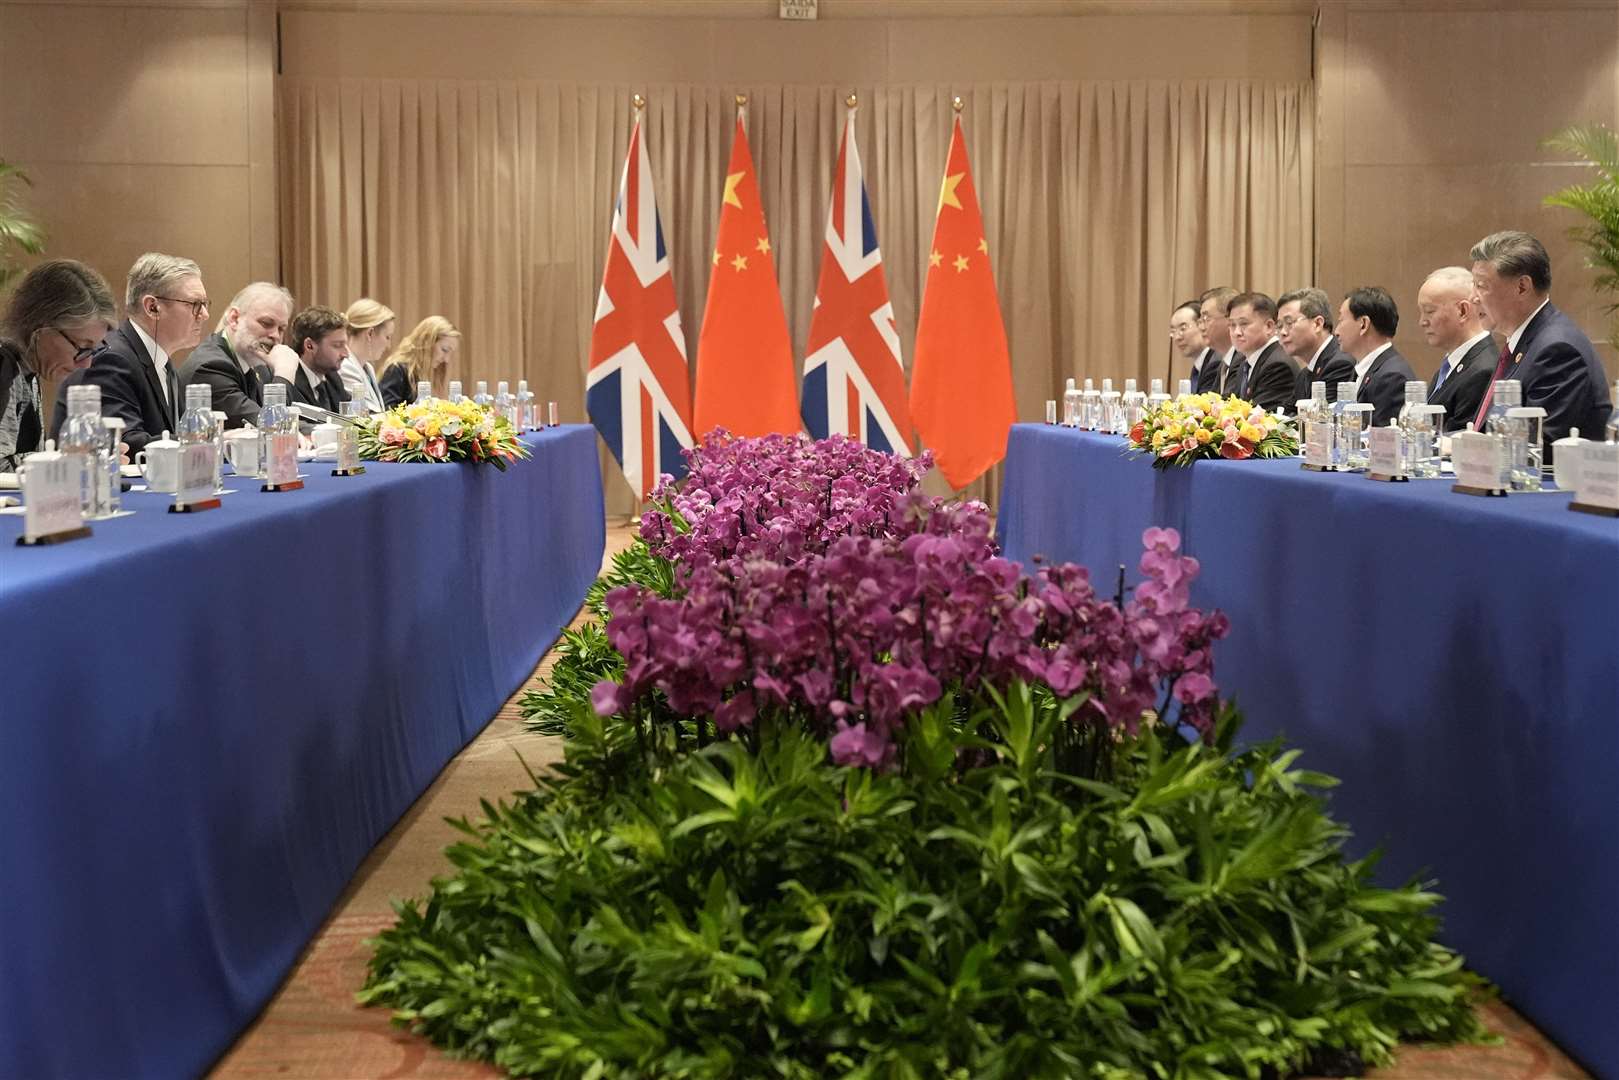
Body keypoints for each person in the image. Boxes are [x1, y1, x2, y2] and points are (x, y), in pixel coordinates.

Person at [53, 252, 210, 454]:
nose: (204, 315)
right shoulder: (112, 359)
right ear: (153, 307)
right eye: (195, 305)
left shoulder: (163, 362)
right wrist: (208, 439)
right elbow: (126, 443)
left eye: (205, 305)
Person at [1468, 230, 1612, 443]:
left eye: (1481, 286)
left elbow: (1539, 444)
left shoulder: (1557, 349)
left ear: (1522, 287)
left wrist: (1464, 446)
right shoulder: (1524, 342)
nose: (1473, 298)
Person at [0, 260, 118, 470]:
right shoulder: (3, 367)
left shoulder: (28, 369)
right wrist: (70, 461)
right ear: (41, 327)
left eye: (93, 350)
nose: (86, 363)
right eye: (82, 347)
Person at [177, 282, 292, 429]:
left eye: (281, 329)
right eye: (266, 323)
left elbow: (287, 420)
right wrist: (284, 374)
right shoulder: (210, 367)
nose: (275, 336)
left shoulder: (259, 366)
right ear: (235, 319)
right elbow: (273, 427)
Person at [1415, 267, 1495, 433]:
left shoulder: (1482, 370)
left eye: (1429, 311)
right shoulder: (1452, 365)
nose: (1422, 322)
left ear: (1462, 311)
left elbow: (1461, 443)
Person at [1333, 286, 1415, 427]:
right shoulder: (1362, 369)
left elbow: (1383, 442)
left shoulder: (1392, 377)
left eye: (1341, 321)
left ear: (1363, 324)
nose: (1336, 331)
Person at [1224, 291, 1299, 413]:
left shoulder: (1278, 365)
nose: (1236, 332)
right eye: (1232, 325)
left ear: (1269, 326)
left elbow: (1260, 419)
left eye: (1244, 324)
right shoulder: (1243, 362)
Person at [268, 306, 351, 413]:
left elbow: (351, 419)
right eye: (337, 345)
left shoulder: (333, 378)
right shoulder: (288, 380)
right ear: (309, 346)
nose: (346, 354)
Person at [1279, 287, 1354, 403]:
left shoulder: (1340, 364)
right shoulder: (1304, 374)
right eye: (1279, 326)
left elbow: (1323, 418)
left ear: (1317, 324)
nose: (1283, 332)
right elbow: (1287, 413)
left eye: (1289, 323)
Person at [377, 316, 460, 408]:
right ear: (426, 342)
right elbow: (386, 413)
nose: (446, 359)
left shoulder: (425, 372)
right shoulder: (397, 370)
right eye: (444, 350)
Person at [340, 298, 394, 413]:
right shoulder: (345, 366)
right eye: (387, 337)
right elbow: (369, 415)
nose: (389, 345)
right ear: (370, 333)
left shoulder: (367, 367)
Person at [1196, 287, 1238, 395]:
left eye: (1206, 319)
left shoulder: (1243, 361)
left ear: (1229, 319)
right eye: (1200, 320)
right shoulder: (1223, 363)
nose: (1201, 327)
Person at [1169, 300, 1211, 390]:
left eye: (1183, 328)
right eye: (1173, 331)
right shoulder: (1199, 366)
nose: (1177, 337)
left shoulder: (1215, 363)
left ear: (1202, 325)